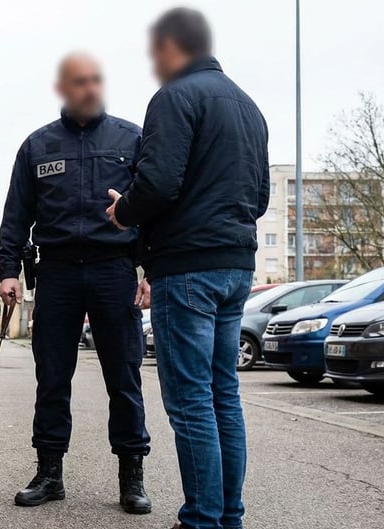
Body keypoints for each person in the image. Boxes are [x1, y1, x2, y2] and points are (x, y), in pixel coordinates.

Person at [105, 8, 269, 529]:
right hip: (236, 266)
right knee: (223, 396)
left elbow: (157, 183)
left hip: (188, 268)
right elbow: (261, 198)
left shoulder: (175, 96)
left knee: (191, 401)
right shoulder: (249, 107)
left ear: (174, 47)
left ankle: (201, 519)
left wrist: (123, 212)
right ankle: (228, 517)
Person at [0, 51, 153, 515]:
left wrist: (151, 271)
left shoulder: (132, 139)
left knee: (124, 377)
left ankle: (131, 477)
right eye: (80, 82)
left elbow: (153, 212)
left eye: (96, 80)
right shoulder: (38, 146)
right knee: (52, 377)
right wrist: (8, 270)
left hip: (114, 270)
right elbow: (16, 215)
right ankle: (49, 473)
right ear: (63, 89)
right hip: (58, 272)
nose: (90, 89)